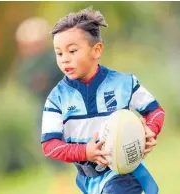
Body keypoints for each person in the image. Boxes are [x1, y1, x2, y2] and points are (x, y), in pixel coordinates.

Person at [41, 7, 165, 194]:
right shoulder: (56, 98)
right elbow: (49, 146)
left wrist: (150, 131)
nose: (64, 59)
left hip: (123, 173)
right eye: (59, 53)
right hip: (87, 180)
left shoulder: (124, 83)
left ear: (96, 50)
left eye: (72, 51)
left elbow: (155, 112)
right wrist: (85, 152)